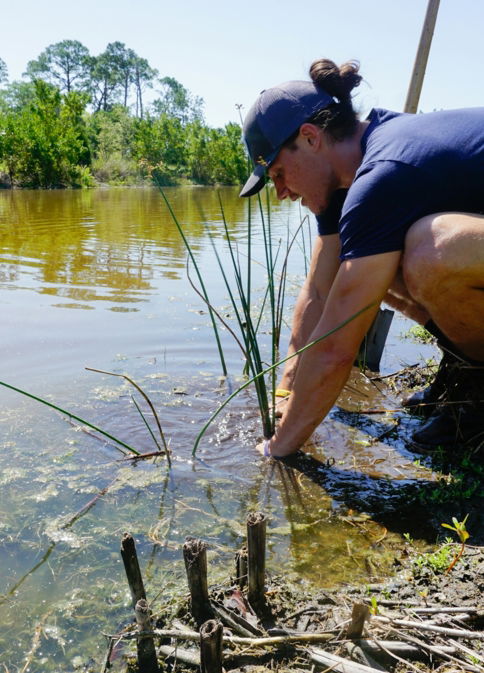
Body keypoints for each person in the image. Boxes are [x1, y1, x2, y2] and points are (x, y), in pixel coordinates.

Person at [239, 58, 484, 458]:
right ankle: (467, 365)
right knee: (368, 272)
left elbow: (336, 347)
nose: (280, 191)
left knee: (430, 250)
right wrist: (286, 390)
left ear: (310, 137)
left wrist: (278, 448)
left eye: (279, 173)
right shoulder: (345, 181)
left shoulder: (383, 173)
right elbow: (320, 292)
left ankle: (480, 386)